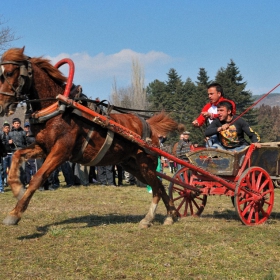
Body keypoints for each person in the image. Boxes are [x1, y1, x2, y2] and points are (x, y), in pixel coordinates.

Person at [9, 118, 27, 184]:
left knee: (23, 168)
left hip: (22, 152)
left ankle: (23, 183)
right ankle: (15, 183)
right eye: (15, 123)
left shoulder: (23, 133)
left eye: (18, 123)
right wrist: (9, 143)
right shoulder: (9, 133)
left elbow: (26, 143)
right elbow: (6, 145)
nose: (17, 124)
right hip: (13, 152)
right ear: (13, 124)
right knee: (15, 169)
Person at [0, 122, 12, 188]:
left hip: (10, 153)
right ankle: (4, 181)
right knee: (4, 169)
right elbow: (2, 143)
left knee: (10, 168)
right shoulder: (1, 135)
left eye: (8, 128)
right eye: (6, 128)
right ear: (3, 128)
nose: (7, 129)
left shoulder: (10, 135)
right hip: (4, 154)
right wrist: (8, 142)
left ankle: (9, 181)